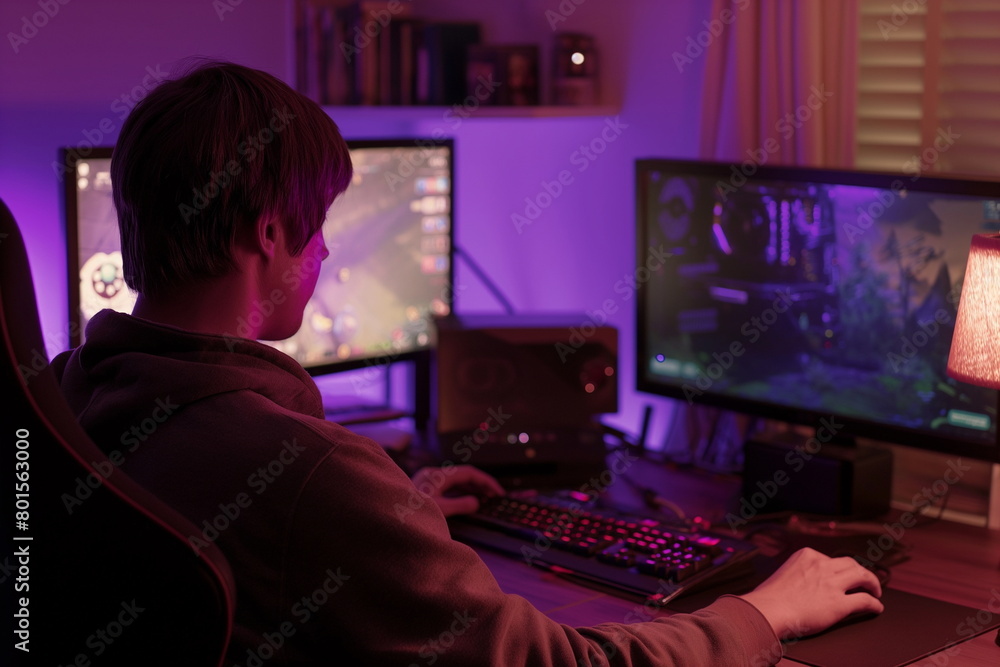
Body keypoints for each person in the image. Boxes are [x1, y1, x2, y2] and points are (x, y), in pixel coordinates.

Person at [53, 61, 883, 666]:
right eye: (315, 223)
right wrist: (763, 612)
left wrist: (395, 514)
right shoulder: (308, 471)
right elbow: (562, 666)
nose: (327, 246)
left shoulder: (63, 394)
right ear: (270, 234)